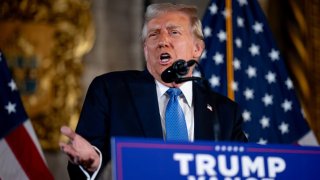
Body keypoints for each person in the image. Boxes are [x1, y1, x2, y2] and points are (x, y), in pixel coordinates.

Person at [59, 3, 247, 179]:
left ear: (197, 49)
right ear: (145, 49)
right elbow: (82, 164)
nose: (163, 41)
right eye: (154, 34)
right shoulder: (111, 91)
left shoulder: (225, 112)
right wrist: (93, 164)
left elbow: (245, 169)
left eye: (174, 32)